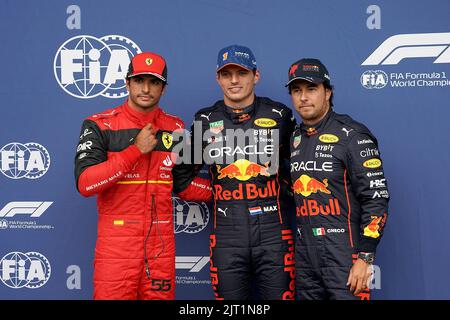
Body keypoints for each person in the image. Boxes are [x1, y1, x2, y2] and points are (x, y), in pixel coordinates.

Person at [74, 52, 211, 300]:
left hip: (161, 246)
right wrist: (135, 150)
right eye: (139, 80)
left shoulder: (175, 127)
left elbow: (182, 185)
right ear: (127, 83)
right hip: (117, 246)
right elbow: (86, 183)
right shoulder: (99, 125)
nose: (146, 88)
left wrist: (228, 190)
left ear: (163, 88)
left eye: (154, 82)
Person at [189, 45, 296, 299]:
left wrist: (280, 192)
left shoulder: (280, 115)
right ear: (218, 78)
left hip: (274, 233)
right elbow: (182, 178)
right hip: (227, 235)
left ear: (255, 76)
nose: (234, 80)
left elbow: (300, 165)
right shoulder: (203, 119)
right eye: (227, 74)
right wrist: (218, 193)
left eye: (242, 72)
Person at [286, 58, 389, 300]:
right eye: (296, 90)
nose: (303, 97)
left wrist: (365, 257)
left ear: (328, 92)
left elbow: (376, 197)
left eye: (311, 89)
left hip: (345, 251)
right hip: (304, 252)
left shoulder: (352, 134)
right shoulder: (293, 138)